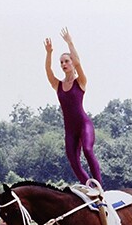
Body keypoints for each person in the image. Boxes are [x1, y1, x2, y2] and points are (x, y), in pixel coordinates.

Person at [44, 27, 102, 184]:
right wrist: (49, 53)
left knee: (88, 150)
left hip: (84, 124)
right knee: (73, 160)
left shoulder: (80, 82)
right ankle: (89, 186)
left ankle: (99, 186)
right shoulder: (58, 85)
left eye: (66, 61)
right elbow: (48, 71)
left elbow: (78, 62)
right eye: (61, 62)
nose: (64, 64)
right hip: (70, 129)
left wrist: (70, 42)